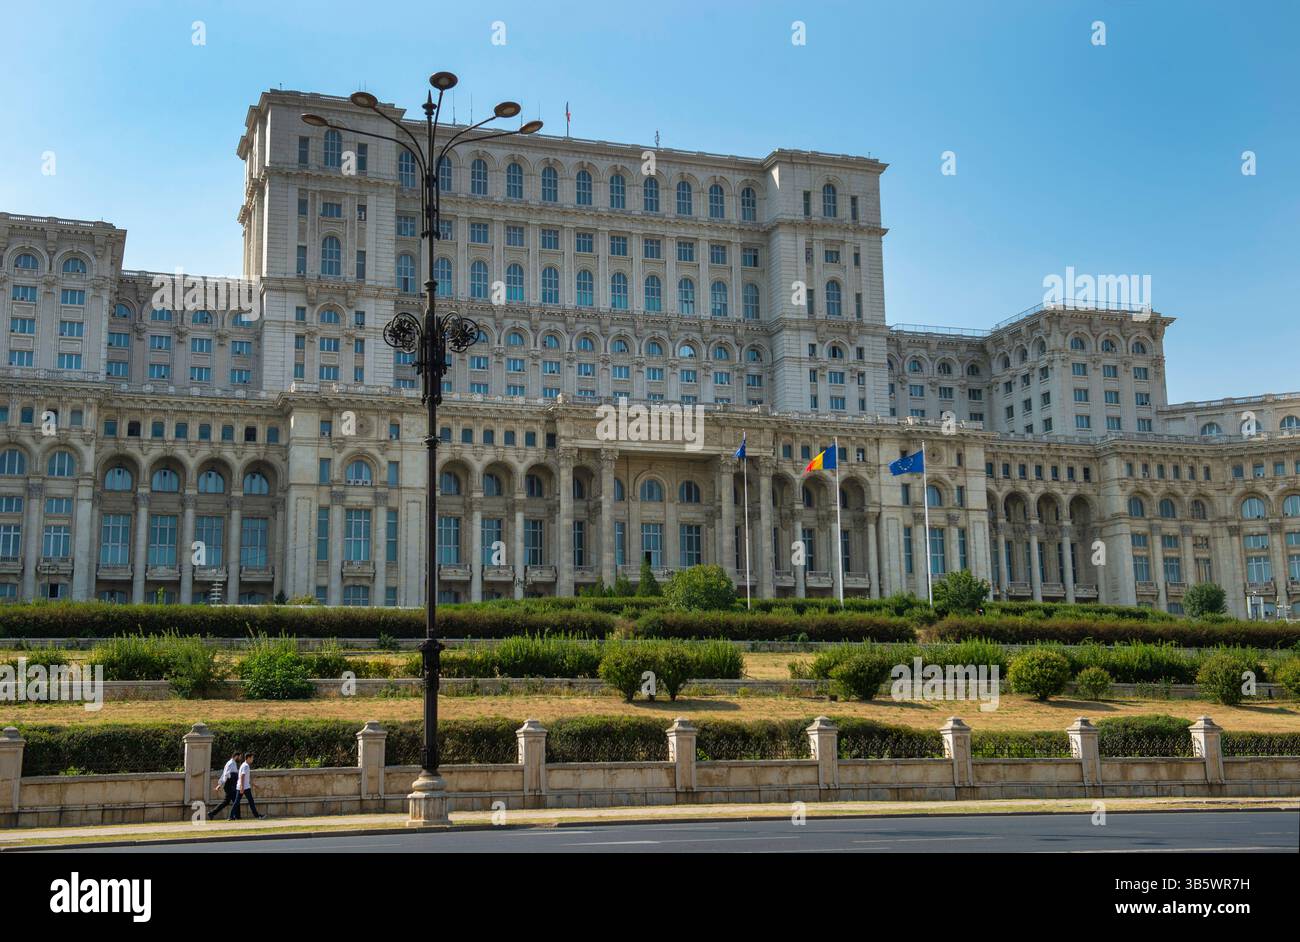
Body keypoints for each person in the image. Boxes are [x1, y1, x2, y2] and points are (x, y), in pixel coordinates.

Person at [231, 752, 265, 820]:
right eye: (252, 758)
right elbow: (242, 776)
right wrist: (242, 787)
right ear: (248, 758)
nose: (252, 759)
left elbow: (246, 778)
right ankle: (257, 816)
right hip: (245, 787)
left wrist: (254, 785)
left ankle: (231, 816)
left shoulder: (244, 765)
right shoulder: (245, 766)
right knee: (250, 802)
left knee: (237, 802)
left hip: (242, 786)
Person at [211, 750, 241, 819]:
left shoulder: (232, 763)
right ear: (236, 756)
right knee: (236, 801)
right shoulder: (231, 763)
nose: (240, 759)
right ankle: (237, 816)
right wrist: (220, 785)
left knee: (227, 802)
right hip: (230, 785)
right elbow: (226, 775)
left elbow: (224, 774)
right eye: (239, 757)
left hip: (231, 785)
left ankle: (212, 813)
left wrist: (220, 784)